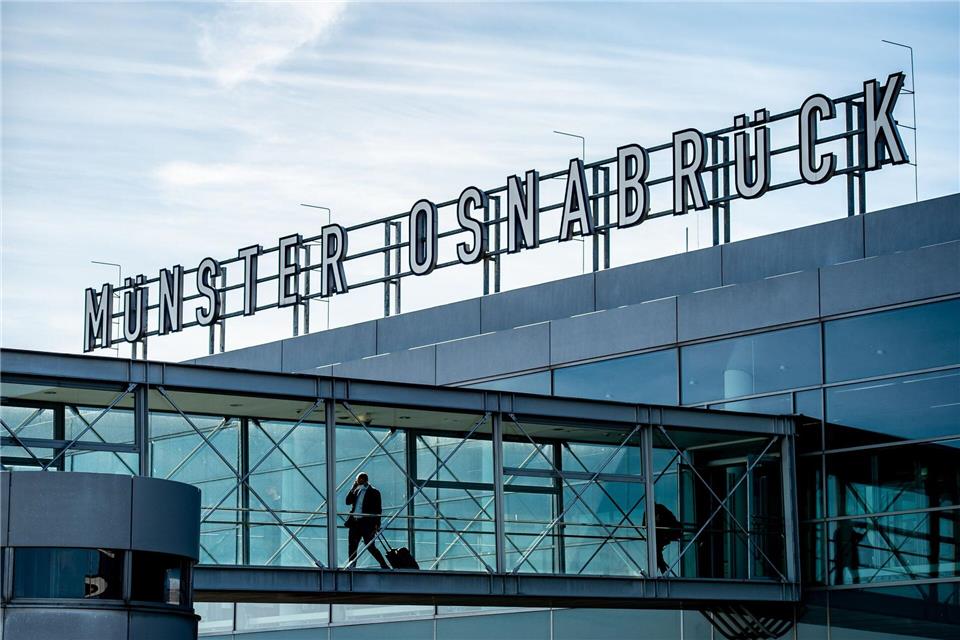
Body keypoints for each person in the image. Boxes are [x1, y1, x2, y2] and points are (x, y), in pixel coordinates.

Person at [345, 472, 389, 569]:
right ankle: (352, 565)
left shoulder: (374, 492)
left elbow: (378, 509)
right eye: (357, 481)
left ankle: (383, 564)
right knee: (352, 546)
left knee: (370, 545)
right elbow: (347, 502)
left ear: (365, 480)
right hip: (355, 522)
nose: (358, 482)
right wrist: (353, 488)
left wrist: (377, 524)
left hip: (366, 524)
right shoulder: (356, 491)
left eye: (359, 480)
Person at [654, 503, 682, 575]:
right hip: (661, 534)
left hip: (663, 534)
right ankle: (660, 570)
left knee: (656, 552)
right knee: (657, 552)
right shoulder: (660, 509)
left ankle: (659, 570)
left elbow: (671, 519)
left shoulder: (659, 509)